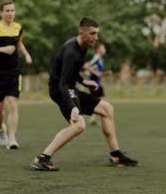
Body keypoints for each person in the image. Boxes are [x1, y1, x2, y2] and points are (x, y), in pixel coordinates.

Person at [31, 18, 138, 171]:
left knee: (107, 109)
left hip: (70, 88)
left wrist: (83, 81)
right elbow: (62, 83)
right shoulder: (70, 51)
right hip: (60, 90)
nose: (96, 37)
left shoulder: (83, 46)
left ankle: (116, 155)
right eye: (93, 33)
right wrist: (71, 106)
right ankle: (42, 158)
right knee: (79, 125)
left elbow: (73, 70)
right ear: (82, 33)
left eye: (97, 33)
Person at [0, 0, 32, 150]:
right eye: (7, 11)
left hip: (14, 71)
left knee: (13, 105)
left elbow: (19, 43)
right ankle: (1, 129)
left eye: (12, 10)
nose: (10, 13)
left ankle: (12, 138)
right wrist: (2, 49)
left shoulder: (18, 28)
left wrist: (26, 54)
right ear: (1, 13)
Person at [85, 43, 107, 125]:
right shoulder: (96, 58)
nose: (105, 50)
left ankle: (93, 118)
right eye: (103, 48)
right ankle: (101, 118)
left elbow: (94, 70)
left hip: (98, 84)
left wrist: (103, 73)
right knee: (99, 102)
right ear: (98, 49)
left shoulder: (100, 59)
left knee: (100, 101)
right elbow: (86, 66)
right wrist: (95, 73)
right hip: (94, 84)